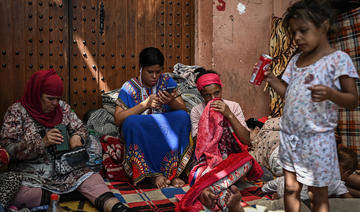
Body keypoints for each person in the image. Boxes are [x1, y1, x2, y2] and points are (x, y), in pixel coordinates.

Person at [263, 1, 359, 211]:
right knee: (290, 188)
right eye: (293, 32)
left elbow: (353, 100)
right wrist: (271, 79)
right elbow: (288, 94)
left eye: (303, 31)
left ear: (323, 26)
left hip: (317, 138)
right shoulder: (296, 60)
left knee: (318, 194)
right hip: (290, 137)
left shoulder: (338, 59)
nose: (297, 37)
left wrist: (332, 93)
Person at [0, 69, 133, 212]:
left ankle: (119, 209)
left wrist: (78, 137)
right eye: (50, 99)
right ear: (36, 94)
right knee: (18, 195)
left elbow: (81, 128)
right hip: (32, 175)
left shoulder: (62, 108)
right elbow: (7, 150)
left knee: (93, 179)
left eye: (58, 98)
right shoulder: (16, 112)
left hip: (66, 170)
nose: (55, 103)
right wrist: (42, 143)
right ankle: (67, 195)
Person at [177, 68, 263, 211]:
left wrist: (229, 115)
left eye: (216, 93)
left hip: (231, 162)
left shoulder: (233, 106)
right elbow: (200, 146)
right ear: (201, 95)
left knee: (248, 161)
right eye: (207, 95)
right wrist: (208, 118)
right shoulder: (197, 111)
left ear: (221, 89)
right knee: (208, 177)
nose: (212, 99)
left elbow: (246, 140)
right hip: (208, 164)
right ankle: (227, 204)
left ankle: (207, 190)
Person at [114, 47, 192, 189]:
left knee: (183, 117)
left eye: (158, 72)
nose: (155, 76)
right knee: (131, 122)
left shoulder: (167, 81)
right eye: (150, 72)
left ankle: (173, 174)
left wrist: (171, 101)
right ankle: (151, 175)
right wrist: (144, 105)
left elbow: (183, 110)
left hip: (164, 129)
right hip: (143, 131)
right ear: (141, 68)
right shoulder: (129, 87)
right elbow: (118, 119)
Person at [262, 147, 360, 200]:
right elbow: (350, 201)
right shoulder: (337, 183)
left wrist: (264, 188)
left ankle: (277, 196)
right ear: (347, 173)